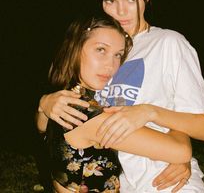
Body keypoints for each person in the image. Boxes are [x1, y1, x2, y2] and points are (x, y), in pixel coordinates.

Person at [37, 0, 204, 192]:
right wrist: (44, 103)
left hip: (167, 180)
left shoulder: (168, 43)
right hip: (121, 182)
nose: (121, 11)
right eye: (110, 1)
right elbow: (51, 127)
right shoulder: (103, 48)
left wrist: (149, 113)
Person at [36, 15, 192, 193]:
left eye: (118, 55)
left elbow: (41, 127)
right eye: (101, 50)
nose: (111, 64)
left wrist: (42, 104)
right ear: (75, 49)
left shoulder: (62, 101)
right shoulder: (86, 115)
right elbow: (181, 151)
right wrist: (172, 113)